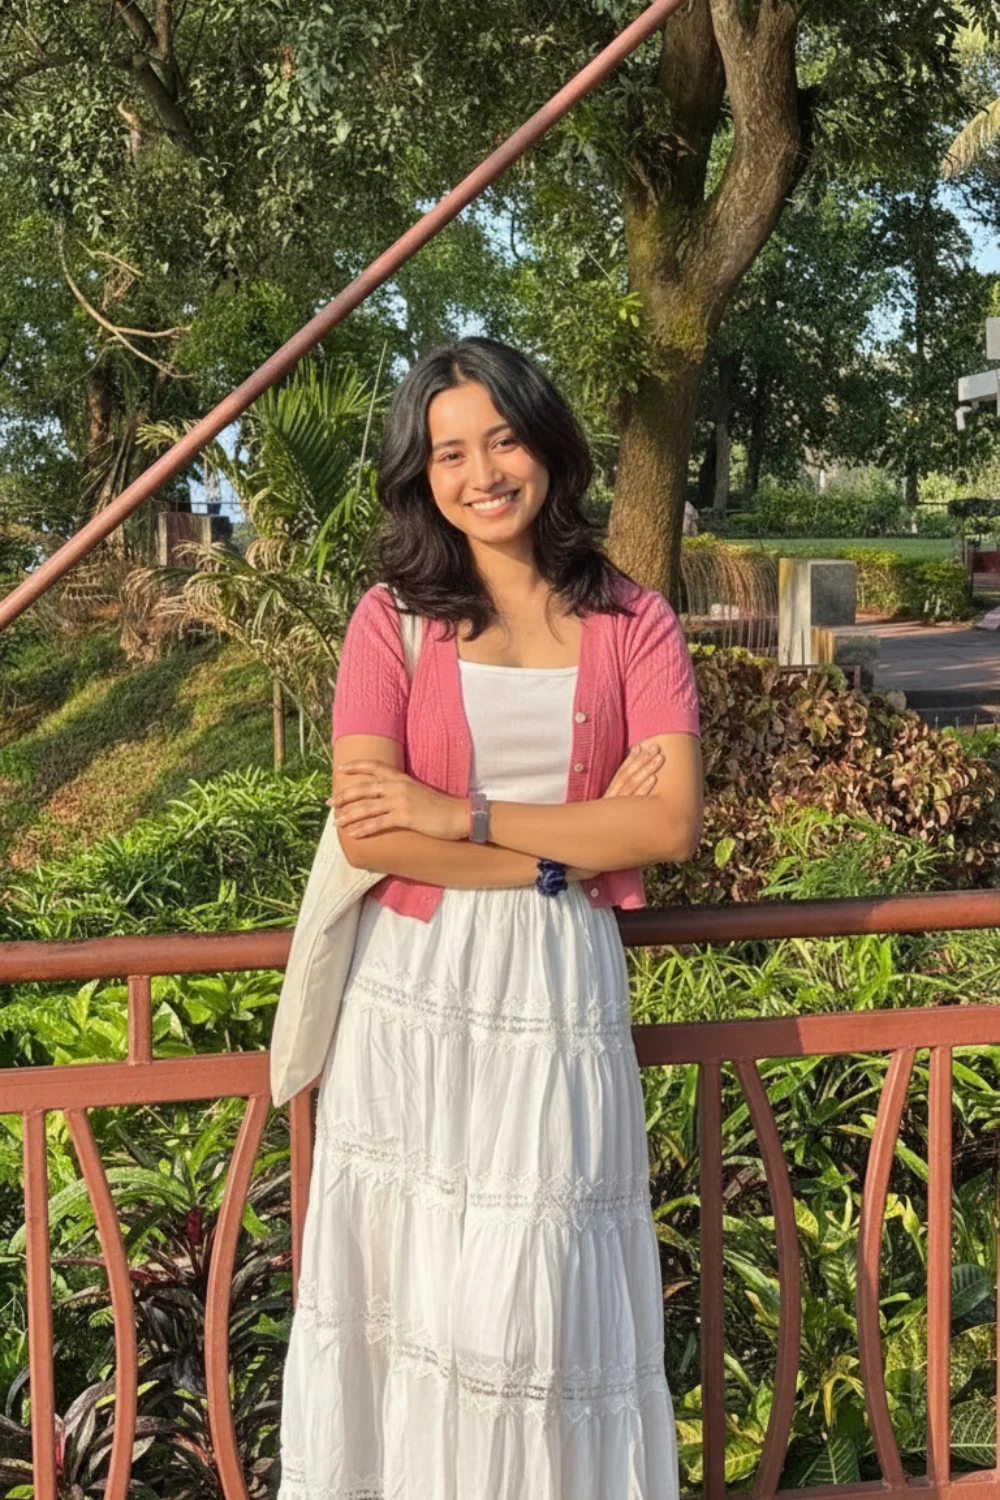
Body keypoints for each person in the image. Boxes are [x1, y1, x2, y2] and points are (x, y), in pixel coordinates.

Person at [277, 336, 703, 1500]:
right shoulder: (389, 620)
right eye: (450, 451)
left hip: (559, 996)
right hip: (413, 995)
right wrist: (559, 847)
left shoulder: (635, 621)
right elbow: (372, 832)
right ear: (423, 473)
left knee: (543, 1289)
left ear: (548, 447)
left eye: (503, 439)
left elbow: (664, 826)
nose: (482, 473)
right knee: (413, 1286)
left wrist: (455, 811)